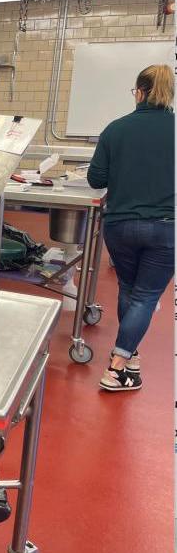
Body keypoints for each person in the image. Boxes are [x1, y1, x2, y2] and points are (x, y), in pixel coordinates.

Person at [87, 64, 174, 392]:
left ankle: (131, 356)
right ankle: (116, 369)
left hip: (120, 225)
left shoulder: (116, 129)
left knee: (129, 289)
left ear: (139, 92)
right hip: (166, 227)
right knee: (147, 296)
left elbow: (96, 179)